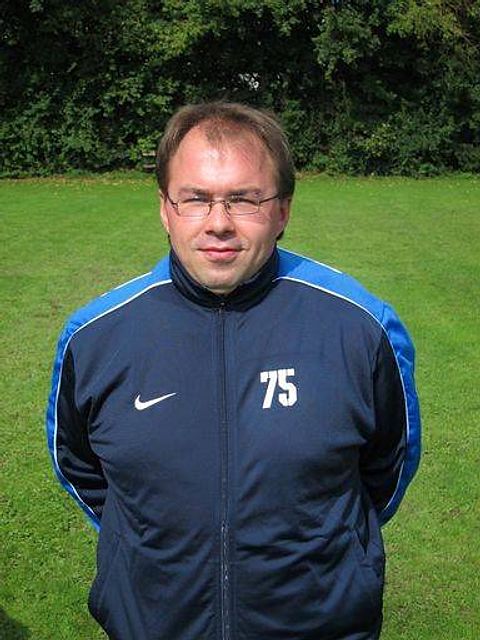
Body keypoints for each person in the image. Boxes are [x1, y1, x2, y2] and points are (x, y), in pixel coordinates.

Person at [46, 102, 421, 640]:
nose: (218, 223)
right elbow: (79, 468)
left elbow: (388, 467)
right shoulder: (95, 336)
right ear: (165, 208)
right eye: (195, 198)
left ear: (283, 211)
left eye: (244, 199)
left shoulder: (361, 327)